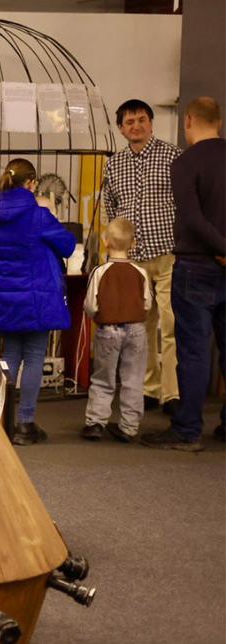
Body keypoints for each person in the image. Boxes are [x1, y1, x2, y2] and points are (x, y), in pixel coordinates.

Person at [141, 96, 225, 452]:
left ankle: (188, 429)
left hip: (197, 266)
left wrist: (222, 248)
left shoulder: (185, 162)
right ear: (218, 121)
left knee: (193, 350)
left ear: (188, 120)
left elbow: (192, 219)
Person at [0, 158, 77, 446]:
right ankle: (26, 423)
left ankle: (4, 420)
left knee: (11, 355)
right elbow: (68, 245)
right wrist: (50, 213)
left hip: (5, 295)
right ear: (32, 184)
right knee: (34, 356)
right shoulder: (38, 215)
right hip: (37, 296)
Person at [102, 99, 182, 416]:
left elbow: (185, 202)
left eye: (142, 120)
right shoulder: (114, 164)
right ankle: (149, 388)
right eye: (130, 122)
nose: (136, 126)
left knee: (171, 325)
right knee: (140, 327)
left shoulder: (173, 156)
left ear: (151, 123)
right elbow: (111, 208)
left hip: (167, 254)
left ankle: (172, 394)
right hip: (133, 261)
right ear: (121, 129)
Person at [81, 218, 151, 442]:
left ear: (105, 242)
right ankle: (129, 427)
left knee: (103, 377)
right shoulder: (141, 272)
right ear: (133, 243)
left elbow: (90, 305)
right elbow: (147, 304)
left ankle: (96, 423)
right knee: (133, 379)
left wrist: (97, 316)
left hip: (108, 330)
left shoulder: (100, 272)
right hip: (137, 330)